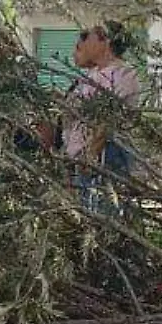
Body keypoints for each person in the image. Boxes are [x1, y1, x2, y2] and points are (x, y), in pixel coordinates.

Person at [59, 23, 139, 210]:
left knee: (103, 215)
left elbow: (108, 119)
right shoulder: (91, 74)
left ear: (106, 41)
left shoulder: (123, 75)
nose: (83, 41)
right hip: (82, 159)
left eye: (89, 36)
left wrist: (91, 155)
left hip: (104, 158)